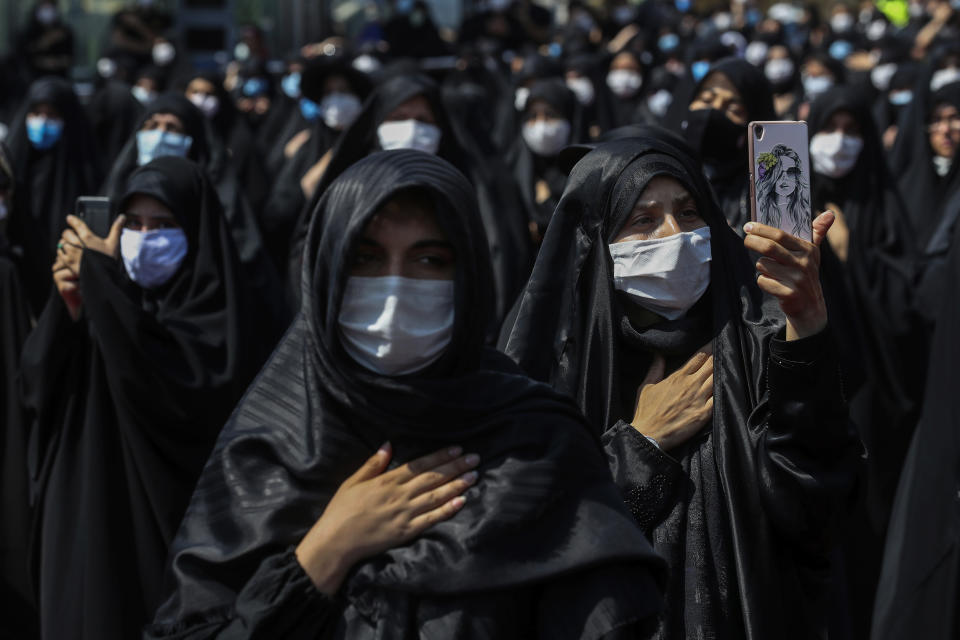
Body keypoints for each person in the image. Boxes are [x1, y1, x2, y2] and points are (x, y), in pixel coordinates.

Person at [146, 150, 665, 639]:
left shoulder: (537, 441)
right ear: (326, 273)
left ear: (469, 276)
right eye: (366, 259)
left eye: (430, 261)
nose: (394, 289)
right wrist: (324, 554)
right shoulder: (268, 449)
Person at [501, 134, 860, 639]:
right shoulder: (551, 374)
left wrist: (806, 330)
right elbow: (526, 546)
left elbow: (814, 511)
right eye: (643, 220)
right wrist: (639, 446)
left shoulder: (756, 346)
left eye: (690, 214)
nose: (675, 234)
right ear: (597, 242)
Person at [20, 156, 263, 640]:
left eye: (165, 225)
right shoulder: (105, 298)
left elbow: (175, 394)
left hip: (155, 540)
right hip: (81, 518)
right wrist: (68, 308)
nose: (145, 237)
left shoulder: (218, 316)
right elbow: (34, 387)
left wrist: (105, 287)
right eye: (132, 223)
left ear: (197, 232)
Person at [5, 76, 104, 315]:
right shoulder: (11, 168)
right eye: (36, 113)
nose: (42, 122)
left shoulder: (85, 170)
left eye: (52, 115)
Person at [666, 57, 776, 230]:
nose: (713, 112)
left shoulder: (772, 193)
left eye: (733, 109)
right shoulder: (659, 175)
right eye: (706, 100)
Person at [755, 143, 811, 238]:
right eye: (778, 172)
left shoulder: (805, 212)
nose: (784, 178)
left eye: (791, 171)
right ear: (771, 176)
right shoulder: (762, 212)